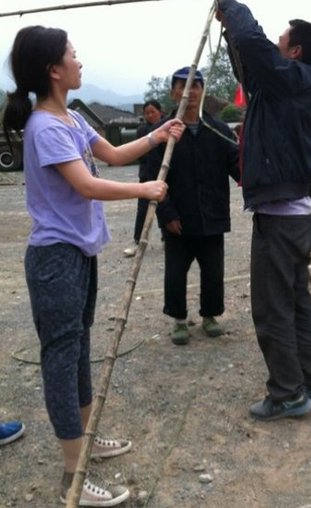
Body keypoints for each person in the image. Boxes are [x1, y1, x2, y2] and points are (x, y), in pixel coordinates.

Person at [2, 25, 184, 506]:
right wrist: (145, 192)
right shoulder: (45, 126)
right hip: (55, 259)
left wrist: (158, 134)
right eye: (73, 56)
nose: (80, 63)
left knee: (79, 347)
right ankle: (71, 473)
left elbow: (117, 156)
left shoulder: (71, 119)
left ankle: (85, 441)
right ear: (54, 70)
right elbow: (86, 185)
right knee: (62, 360)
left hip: (79, 254)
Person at [216, 1, 311, 421]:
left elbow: (252, 41)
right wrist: (230, 30)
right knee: (295, 299)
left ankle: (287, 394)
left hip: (282, 219)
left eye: (282, 39)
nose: (275, 42)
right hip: (292, 214)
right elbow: (248, 59)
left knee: (272, 309)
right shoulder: (280, 84)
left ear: (295, 51)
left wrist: (234, 7)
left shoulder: (291, 78)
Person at [149, 67, 240, 345]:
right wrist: (166, 214)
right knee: (176, 272)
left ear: (202, 91)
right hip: (179, 218)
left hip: (212, 215)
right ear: (174, 93)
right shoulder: (164, 134)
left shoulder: (218, 130)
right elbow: (151, 178)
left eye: (195, 86)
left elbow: (238, 169)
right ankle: (178, 319)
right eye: (182, 87)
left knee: (213, 271)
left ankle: (210, 315)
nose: (189, 92)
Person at [123, 99, 165, 257]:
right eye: (147, 113)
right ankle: (137, 241)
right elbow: (143, 154)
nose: (150, 115)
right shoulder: (143, 130)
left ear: (160, 112)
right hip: (147, 176)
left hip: (166, 175)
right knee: (143, 210)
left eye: (153, 112)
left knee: (165, 207)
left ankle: (166, 238)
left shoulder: (167, 127)